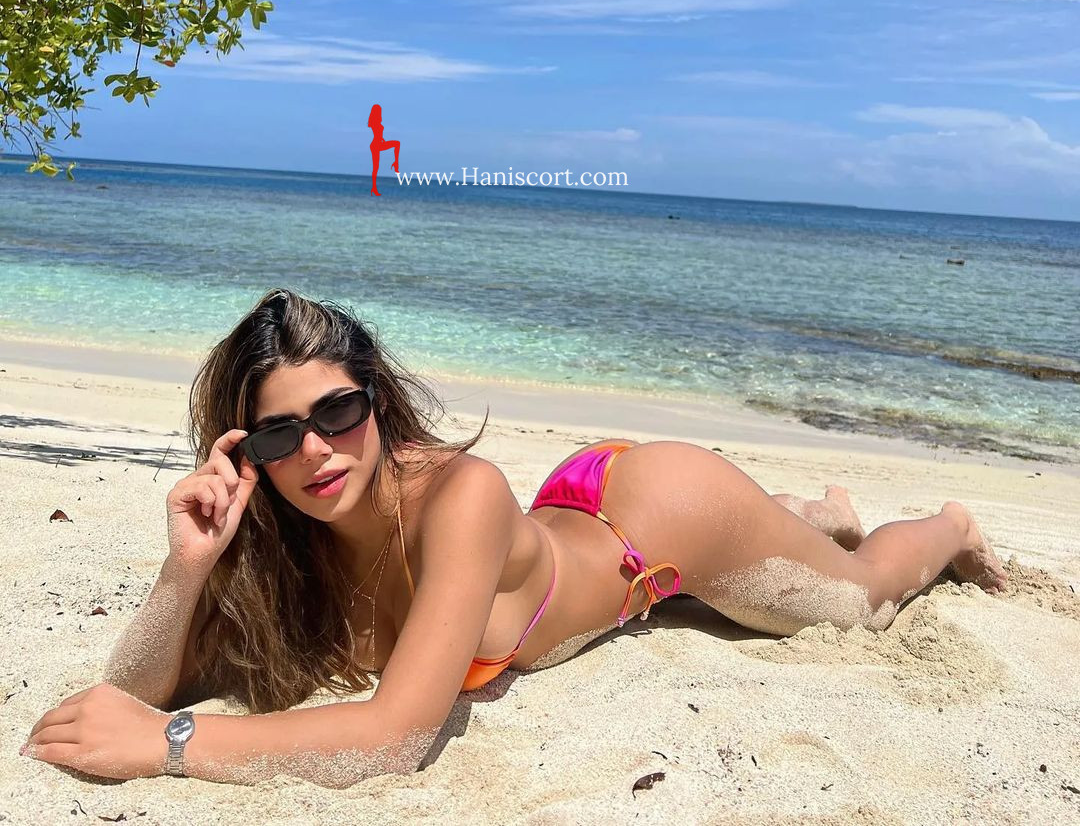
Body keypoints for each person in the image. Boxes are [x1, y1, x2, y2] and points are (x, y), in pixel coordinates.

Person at [20, 289, 1008, 787]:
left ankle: (942, 524)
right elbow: (136, 686)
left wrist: (171, 745)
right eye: (279, 434)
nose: (315, 451)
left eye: (338, 412)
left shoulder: (463, 495)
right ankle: (805, 513)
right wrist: (187, 567)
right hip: (559, 520)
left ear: (378, 404)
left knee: (860, 599)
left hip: (657, 522)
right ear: (249, 451)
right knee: (812, 556)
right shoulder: (285, 536)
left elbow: (395, 739)